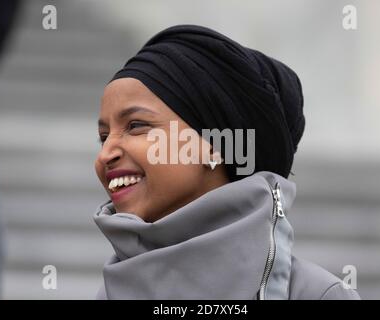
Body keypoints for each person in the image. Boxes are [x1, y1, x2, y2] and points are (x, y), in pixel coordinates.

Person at [93, 25, 360, 300]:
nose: (105, 154)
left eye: (136, 125)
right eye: (103, 136)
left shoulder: (317, 295)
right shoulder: (112, 293)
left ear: (217, 143)